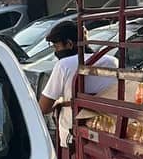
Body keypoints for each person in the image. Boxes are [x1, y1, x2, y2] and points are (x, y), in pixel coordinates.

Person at [39, 20, 118, 150]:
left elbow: (44, 107)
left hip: (74, 137)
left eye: (57, 47)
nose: (56, 52)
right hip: (108, 132)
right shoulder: (112, 62)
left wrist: (60, 103)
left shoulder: (64, 65)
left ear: (69, 44)